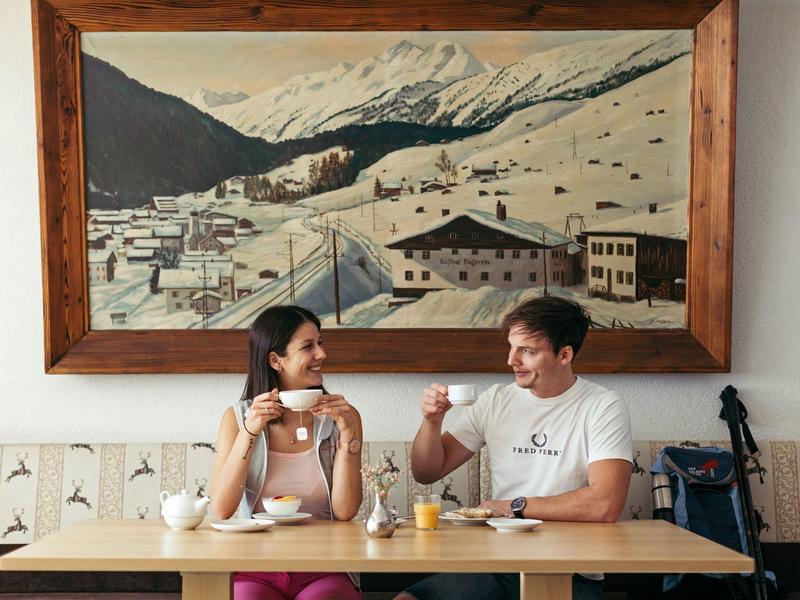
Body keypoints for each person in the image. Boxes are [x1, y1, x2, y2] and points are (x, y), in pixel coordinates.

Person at [397, 296, 632, 600]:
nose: (512, 360)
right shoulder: (496, 401)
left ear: (564, 354)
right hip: (497, 565)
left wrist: (513, 506)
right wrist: (432, 421)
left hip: (571, 570)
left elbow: (605, 503)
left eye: (527, 351)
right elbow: (426, 472)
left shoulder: (602, 406)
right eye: (511, 347)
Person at [210, 305, 363, 600]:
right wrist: (250, 431)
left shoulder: (343, 417)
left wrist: (347, 434)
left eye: (320, 343)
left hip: (325, 565)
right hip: (254, 564)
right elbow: (221, 509)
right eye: (308, 346)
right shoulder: (237, 419)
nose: (321, 354)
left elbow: (346, 511)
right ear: (275, 360)